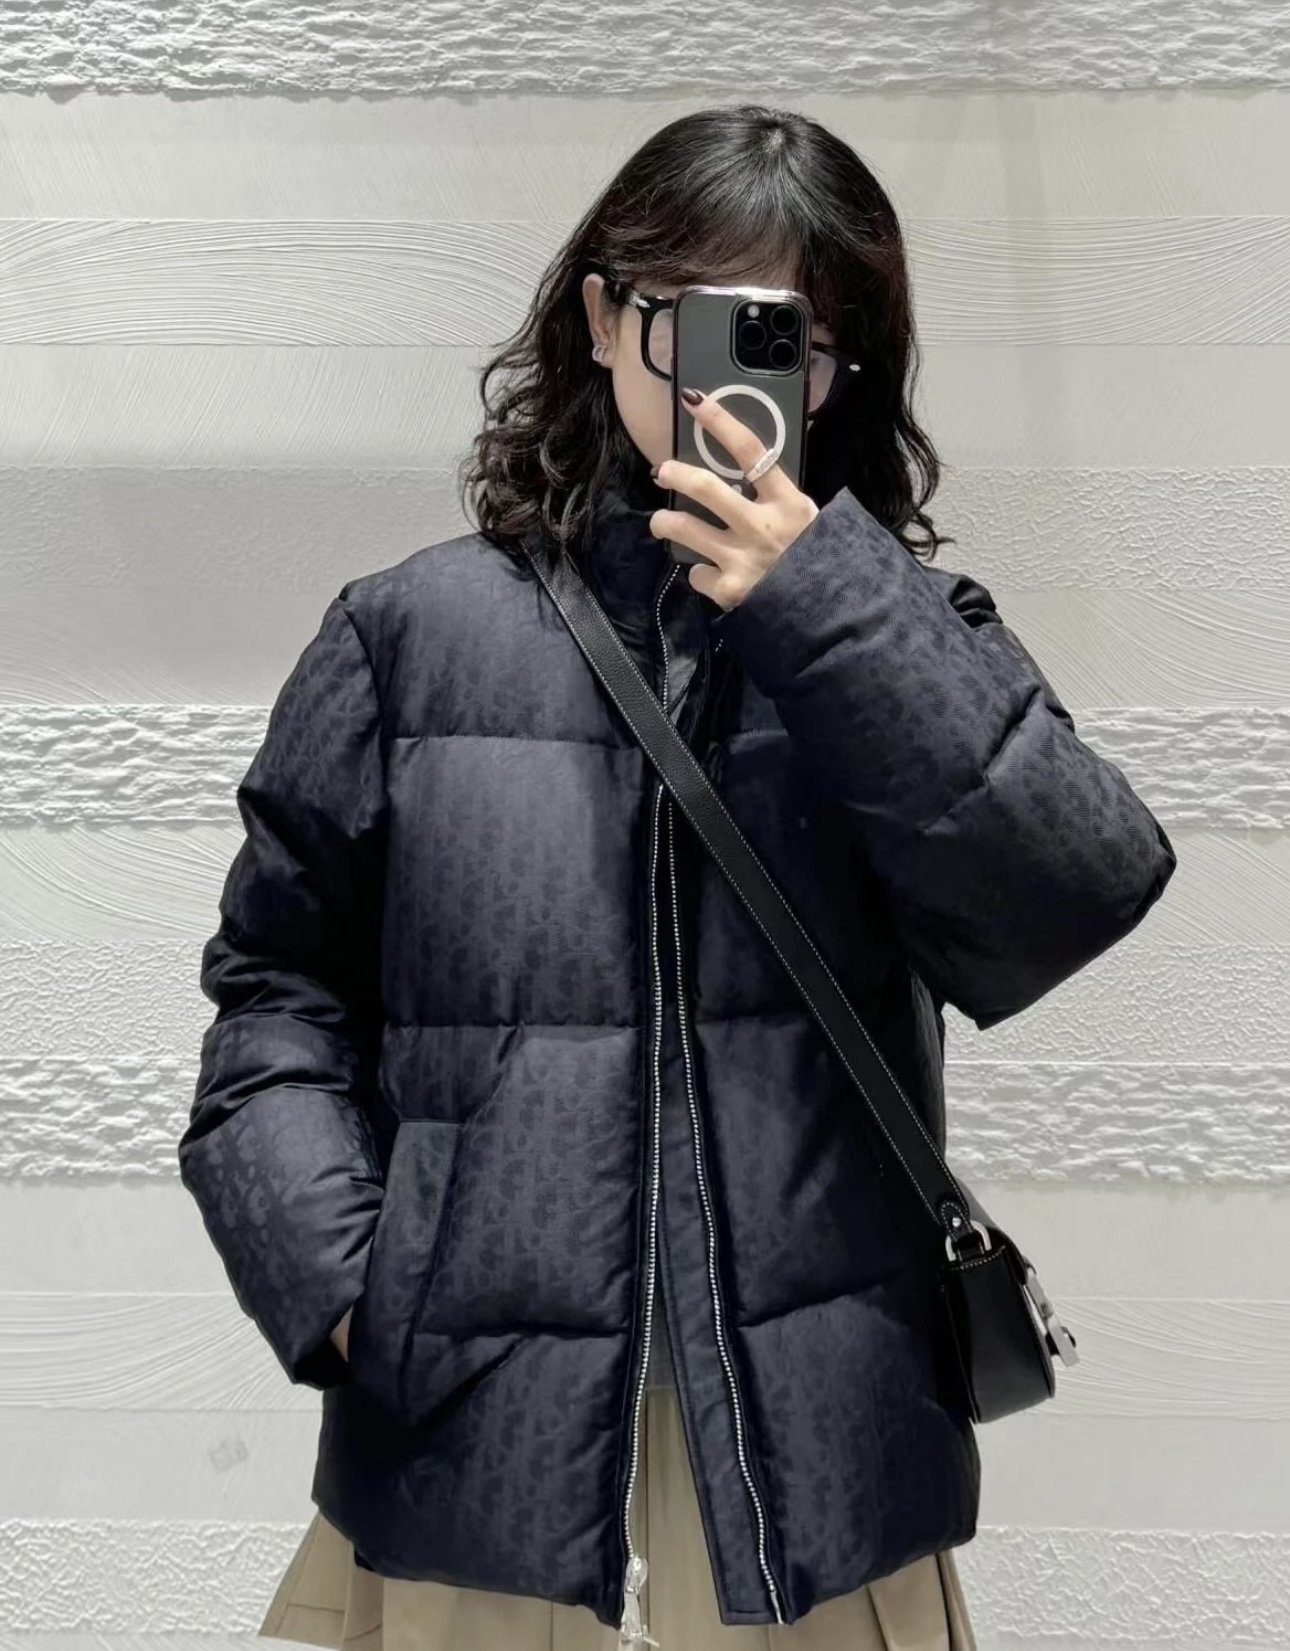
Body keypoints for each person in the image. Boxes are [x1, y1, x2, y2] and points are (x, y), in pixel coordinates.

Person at [177, 103, 1177, 1651]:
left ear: (840, 372)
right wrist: (345, 1287)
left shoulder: (906, 634)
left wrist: (827, 604)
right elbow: (275, 997)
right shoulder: (408, 635)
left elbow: (1070, 893)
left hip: (813, 1454)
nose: (731, 377)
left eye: (791, 339)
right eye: (692, 319)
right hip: (475, 1441)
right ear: (599, 318)